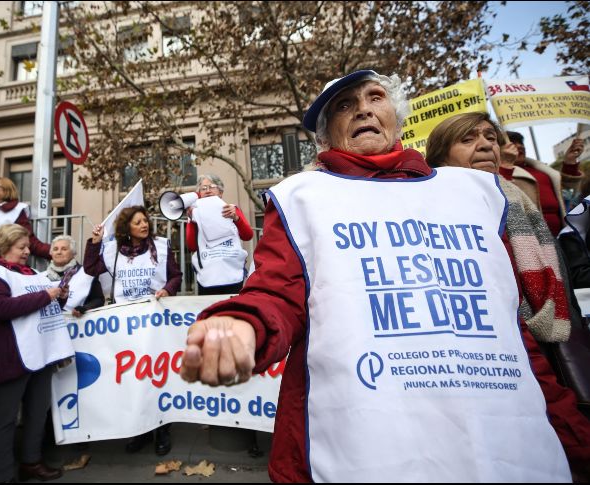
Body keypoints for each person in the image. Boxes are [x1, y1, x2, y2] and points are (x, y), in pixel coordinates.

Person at [179, 70, 587, 482]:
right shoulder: (301, 197)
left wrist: (569, 427)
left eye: (375, 97)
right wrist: (243, 324)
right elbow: (277, 292)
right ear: (325, 136)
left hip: (506, 439)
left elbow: (508, 322)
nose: (362, 109)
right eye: (344, 105)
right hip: (360, 444)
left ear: (396, 115)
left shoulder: (477, 193)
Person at [426, 112, 572, 343]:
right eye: (467, 139)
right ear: (441, 156)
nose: (485, 145)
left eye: (491, 137)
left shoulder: (516, 198)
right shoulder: (430, 209)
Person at [0, 223, 70, 482]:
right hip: (9, 356)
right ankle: (4, 475)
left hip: (39, 354)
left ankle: (31, 461)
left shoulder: (32, 273)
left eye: (27, 246)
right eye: (22, 247)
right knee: (4, 419)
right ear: (4, 247)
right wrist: (46, 296)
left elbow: (44, 307)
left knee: (37, 412)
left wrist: (59, 297)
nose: (28, 251)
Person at [83, 205, 182, 455]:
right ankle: (141, 431)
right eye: (137, 222)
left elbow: (176, 275)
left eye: (145, 221)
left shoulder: (160, 246)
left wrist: (167, 290)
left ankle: (162, 430)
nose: (144, 225)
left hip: (154, 323)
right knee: (134, 378)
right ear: (127, 226)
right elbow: (91, 268)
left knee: (157, 375)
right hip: (127, 325)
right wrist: (94, 243)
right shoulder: (113, 250)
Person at [505, 131, 584, 237]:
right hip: (534, 240)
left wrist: (569, 162)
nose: (519, 146)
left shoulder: (542, 170)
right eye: (512, 143)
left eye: (521, 143)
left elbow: (566, 193)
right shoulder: (502, 175)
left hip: (563, 235)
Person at [186, 174, 254, 295]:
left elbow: (248, 235)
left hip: (231, 271)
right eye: (203, 188)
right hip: (208, 274)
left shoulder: (232, 209)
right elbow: (191, 246)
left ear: (220, 192)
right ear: (199, 194)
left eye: (212, 187)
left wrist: (236, 218)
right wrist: (192, 220)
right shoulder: (194, 214)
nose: (207, 191)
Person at [46, 234, 104, 317]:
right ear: (51, 253)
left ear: (73, 253)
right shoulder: (40, 277)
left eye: (64, 249)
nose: (59, 252)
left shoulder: (87, 274)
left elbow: (98, 299)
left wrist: (84, 308)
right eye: (55, 249)